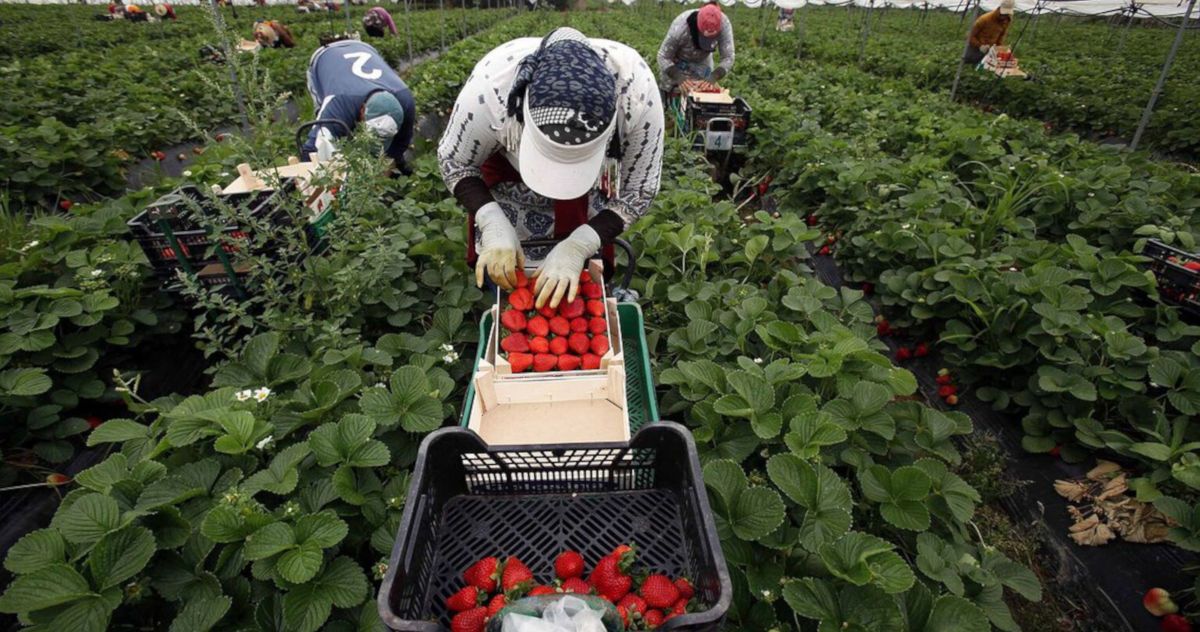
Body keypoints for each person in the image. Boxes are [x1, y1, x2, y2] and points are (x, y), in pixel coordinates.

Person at [438, 27, 664, 307]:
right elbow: (454, 160)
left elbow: (640, 189)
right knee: (507, 280)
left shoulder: (636, 94)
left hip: (587, 201)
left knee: (581, 291)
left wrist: (580, 244)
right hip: (510, 195)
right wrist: (492, 221)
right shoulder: (491, 88)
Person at [303, 40, 415, 173]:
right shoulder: (339, 104)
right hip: (324, 57)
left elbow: (401, 141)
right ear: (362, 111)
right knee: (327, 142)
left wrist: (389, 164)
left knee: (395, 161)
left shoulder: (406, 101)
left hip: (365, 48)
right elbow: (311, 149)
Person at [657, 3, 735, 92]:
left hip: (702, 63)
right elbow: (663, 56)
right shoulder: (680, 28)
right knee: (672, 94)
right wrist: (677, 76)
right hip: (677, 63)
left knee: (702, 92)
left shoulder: (724, 25)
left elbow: (728, 57)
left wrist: (714, 76)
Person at [966, 0, 1014, 65]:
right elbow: (970, 36)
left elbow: (1001, 37)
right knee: (970, 61)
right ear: (999, 9)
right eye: (1003, 13)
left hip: (990, 49)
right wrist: (980, 46)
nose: (1004, 16)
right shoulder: (984, 19)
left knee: (985, 66)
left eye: (1006, 14)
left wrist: (1000, 48)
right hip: (976, 47)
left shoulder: (1007, 21)